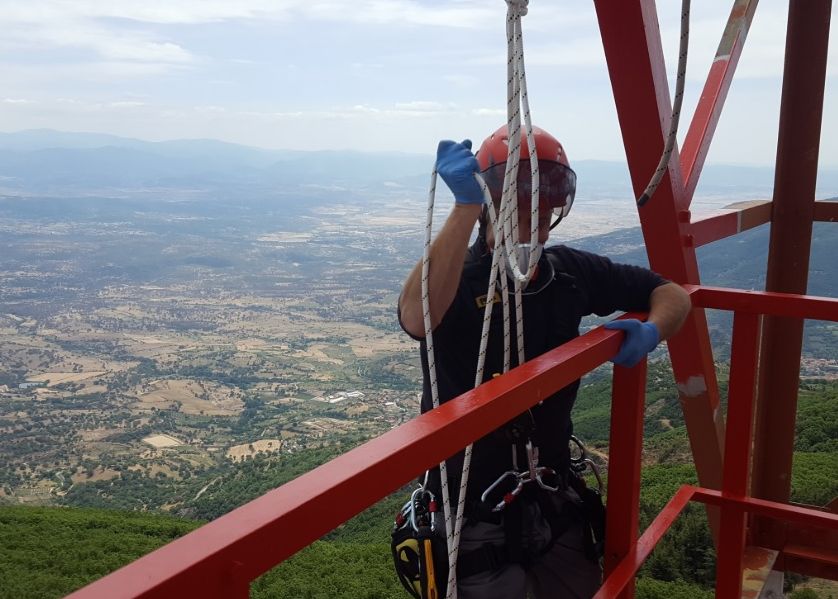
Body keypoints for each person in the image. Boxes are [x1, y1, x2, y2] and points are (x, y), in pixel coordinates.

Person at [397, 125, 691, 599]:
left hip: (551, 495)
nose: (531, 222)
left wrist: (653, 329)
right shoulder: (461, 277)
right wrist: (464, 207)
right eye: (518, 208)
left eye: (542, 209)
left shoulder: (567, 273)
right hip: (471, 507)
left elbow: (670, 293)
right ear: (492, 206)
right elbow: (416, 316)